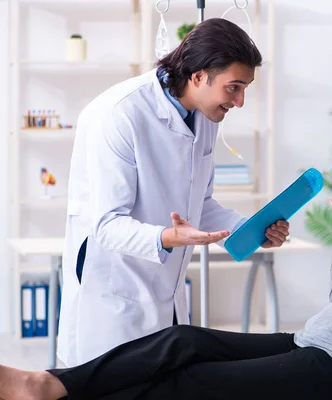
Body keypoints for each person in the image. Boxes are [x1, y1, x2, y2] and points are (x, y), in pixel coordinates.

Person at [0, 137, 332, 400]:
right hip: (311, 342)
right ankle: (51, 383)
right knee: (182, 341)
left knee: (188, 384)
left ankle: (47, 393)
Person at [57, 18, 290, 368]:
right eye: (234, 87)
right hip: (113, 293)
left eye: (245, 88)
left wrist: (253, 230)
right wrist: (167, 237)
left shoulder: (204, 116)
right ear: (198, 76)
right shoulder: (119, 114)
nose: (240, 101)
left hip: (166, 291)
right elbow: (106, 225)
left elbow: (201, 205)